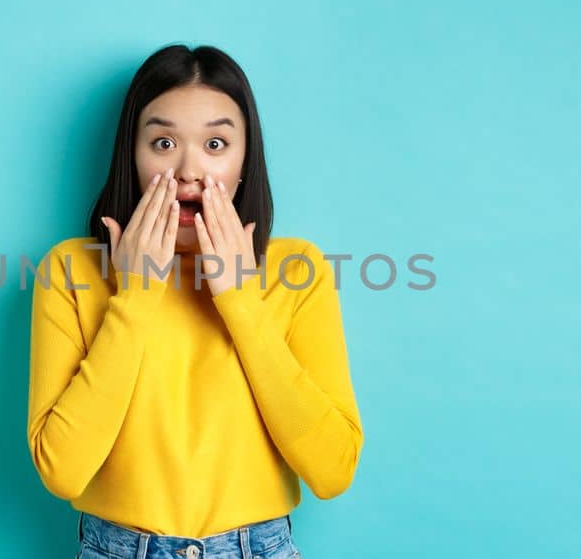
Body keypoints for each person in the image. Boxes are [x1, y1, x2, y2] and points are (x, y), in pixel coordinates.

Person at [27, 44, 362, 559]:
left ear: (246, 156)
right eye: (162, 142)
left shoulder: (297, 271)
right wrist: (135, 297)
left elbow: (333, 470)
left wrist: (237, 298)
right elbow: (63, 472)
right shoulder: (72, 271)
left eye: (215, 143)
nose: (188, 170)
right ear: (130, 156)